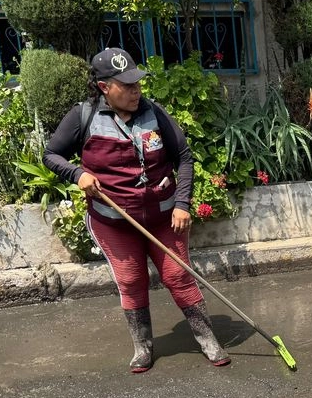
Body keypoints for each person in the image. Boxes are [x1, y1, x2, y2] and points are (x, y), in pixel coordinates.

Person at [44, 47, 233, 373]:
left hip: (163, 217)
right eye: (127, 85)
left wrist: (182, 204)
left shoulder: (153, 112)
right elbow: (51, 155)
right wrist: (78, 174)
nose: (136, 91)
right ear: (104, 87)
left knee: (178, 276)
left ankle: (207, 339)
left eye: (137, 83)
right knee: (131, 280)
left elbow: (183, 157)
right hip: (113, 221)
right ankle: (142, 347)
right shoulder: (83, 117)